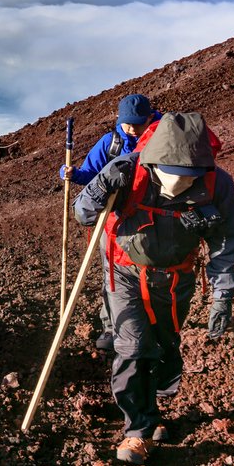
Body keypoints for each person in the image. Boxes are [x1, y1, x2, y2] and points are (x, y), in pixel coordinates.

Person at [73, 112, 234, 465]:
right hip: (126, 274)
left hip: (176, 278)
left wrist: (223, 294)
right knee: (133, 346)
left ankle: (156, 407)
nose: (180, 186)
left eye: (189, 179)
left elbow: (225, 240)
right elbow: (83, 213)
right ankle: (137, 430)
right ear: (154, 162)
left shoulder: (217, 183)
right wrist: (101, 187)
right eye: (174, 177)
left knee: (166, 345)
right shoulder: (126, 170)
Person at [60, 93, 161, 350]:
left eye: (138, 123)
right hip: (114, 221)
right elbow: (91, 174)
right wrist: (72, 173)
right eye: (128, 123)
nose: (133, 129)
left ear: (150, 117)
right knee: (113, 274)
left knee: (153, 271)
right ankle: (111, 326)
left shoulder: (163, 138)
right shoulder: (111, 142)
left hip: (153, 219)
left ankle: (152, 322)